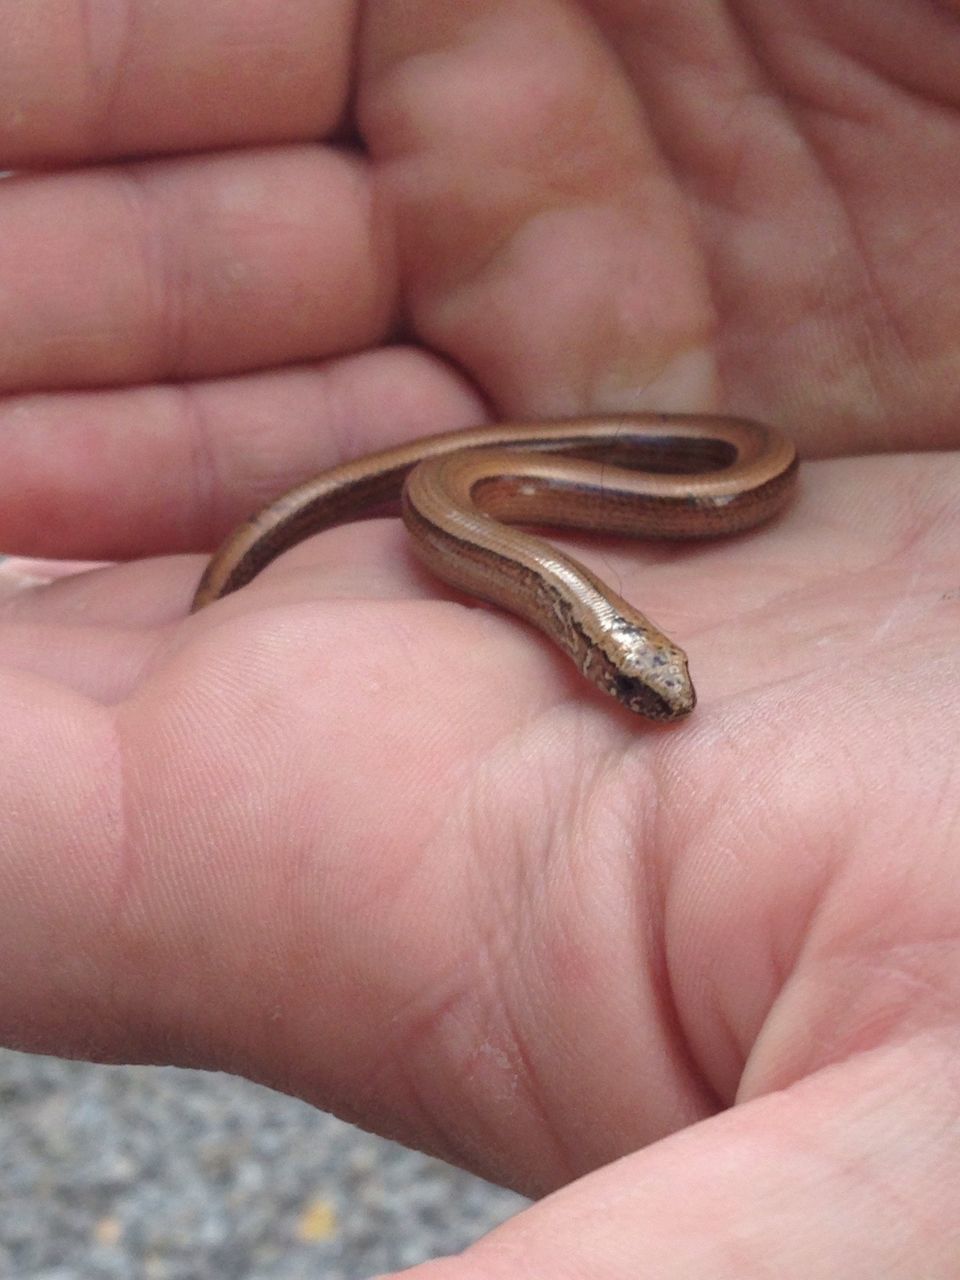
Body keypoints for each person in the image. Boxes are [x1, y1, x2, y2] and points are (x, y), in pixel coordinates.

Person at [1, 4, 958, 1275]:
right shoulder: (524, 564)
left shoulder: (570, 576)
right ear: (592, 646)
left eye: (642, 675)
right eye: (632, 675)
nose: (646, 690)